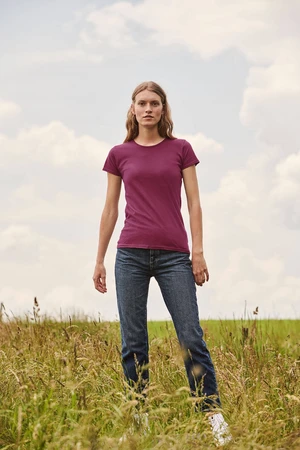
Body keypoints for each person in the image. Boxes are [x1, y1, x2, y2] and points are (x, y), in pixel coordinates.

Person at [93, 81, 231, 445]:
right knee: (133, 341)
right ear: (133, 109)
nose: (148, 108)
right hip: (130, 255)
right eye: (142, 103)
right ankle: (140, 418)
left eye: (155, 103)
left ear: (163, 109)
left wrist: (197, 251)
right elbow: (110, 209)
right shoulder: (119, 154)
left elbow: (195, 202)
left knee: (190, 336)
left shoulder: (180, 149)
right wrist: (100, 259)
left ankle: (212, 416)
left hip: (174, 256)